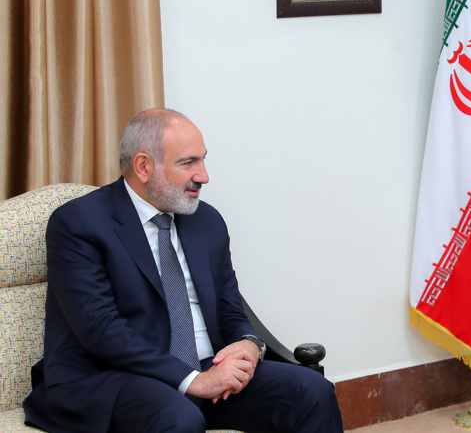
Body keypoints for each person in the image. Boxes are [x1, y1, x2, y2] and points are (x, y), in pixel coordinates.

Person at [23, 109, 344, 433]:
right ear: (144, 166)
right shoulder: (79, 223)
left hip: (207, 368)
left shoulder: (207, 221)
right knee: (179, 419)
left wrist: (249, 344)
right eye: (188, 163)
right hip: (112, 378)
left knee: (312, 391)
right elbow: (101, 329)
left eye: (203, 160)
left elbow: (230, 308)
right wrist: (193, 381)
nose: (203, 175)